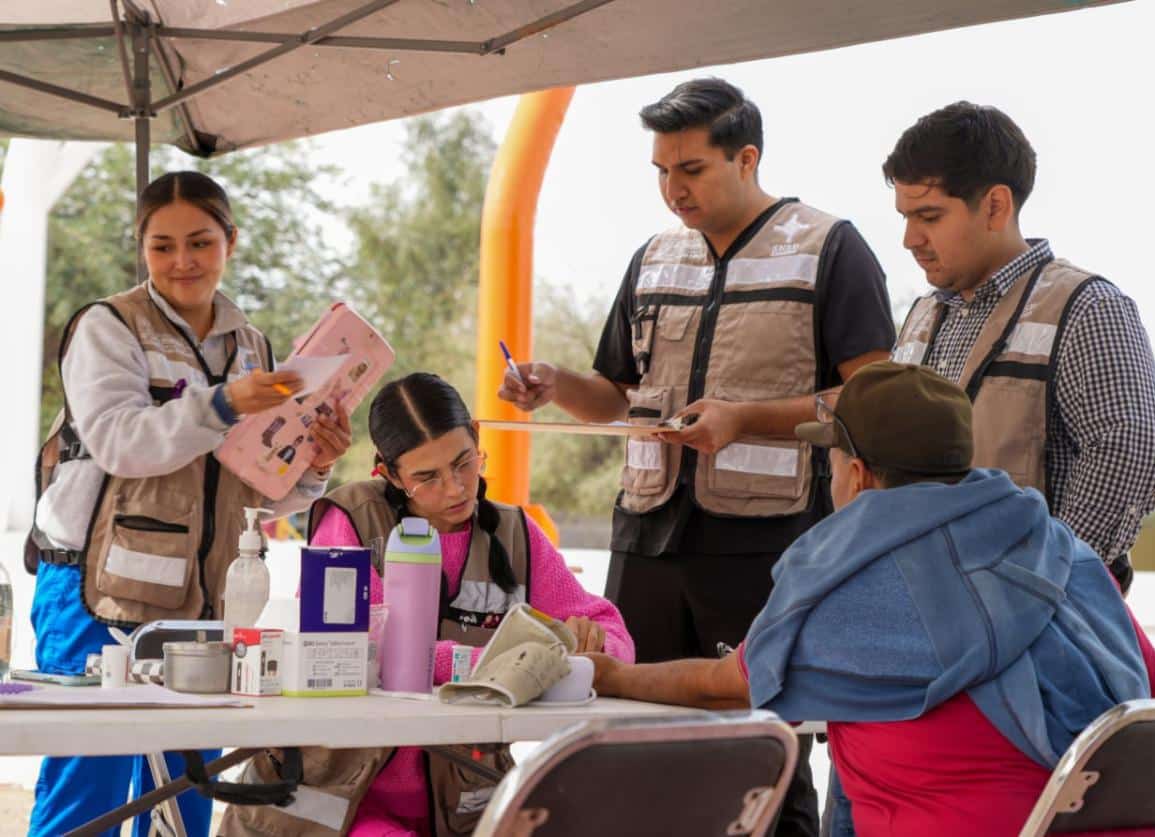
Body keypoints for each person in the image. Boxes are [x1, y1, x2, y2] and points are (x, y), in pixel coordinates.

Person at [498, 78, 896, 834]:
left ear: (746, 159)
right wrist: (553, 384)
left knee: (761, 751)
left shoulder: (828, 249)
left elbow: (875, 400)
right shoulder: (652, 258)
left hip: (767, 545)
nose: (672, 189)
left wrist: (744, 418)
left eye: (691, 170)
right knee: (625, 734)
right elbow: (615, 393)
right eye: (660, 171)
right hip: (648, 539)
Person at [587, 361, 1155, 837]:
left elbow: (723, 685)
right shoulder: (1062, 552)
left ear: (859, 473)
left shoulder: (848, 582)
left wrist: (612, 675)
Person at [24, 171, 351, 837]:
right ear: (140, 249)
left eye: (200, 242)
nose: (182, 262)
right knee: (89, 792)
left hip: (203, 603)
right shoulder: (107, 327)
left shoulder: (250, 347)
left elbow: (256, 484)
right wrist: (226, 401)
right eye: (162, 246)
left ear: (231, 241)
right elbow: (120, 442)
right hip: (93, 593)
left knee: (185, 791)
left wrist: (314, 463)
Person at [222, 372, 634, 837]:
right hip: (340, 802)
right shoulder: (349, 524)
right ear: (389, 473)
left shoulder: (515, 535)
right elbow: (359, 652)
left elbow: (612, 636)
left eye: (464, 463)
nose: (456, 488)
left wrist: (590, 646)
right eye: (427, 477)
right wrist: (521, 665)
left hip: (463, 808)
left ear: (477, 438)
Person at [886, 101, 1155, 595]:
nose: (910, 238)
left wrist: (1041, 576)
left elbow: (1132, 451)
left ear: (996, 205)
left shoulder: (1086, 307)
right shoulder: (924, 315)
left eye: (928, 215)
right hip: (929, 599)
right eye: (906, 216)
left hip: (1032, 622)